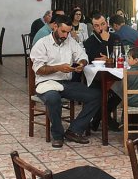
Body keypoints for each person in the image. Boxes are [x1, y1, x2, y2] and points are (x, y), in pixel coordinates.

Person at [30, 17, 101, 148]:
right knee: (53, 98)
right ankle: (57, 135)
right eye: (63, 31)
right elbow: (39, 69)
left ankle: (74, 130)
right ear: (55, 27)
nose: (65, 35)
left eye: (68, 32)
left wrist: (81, 64)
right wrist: (58, 68)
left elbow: (83, 56)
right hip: (46, 83)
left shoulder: (70, 41)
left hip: (65, 83)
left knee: (96, 95)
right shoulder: (42, 43)